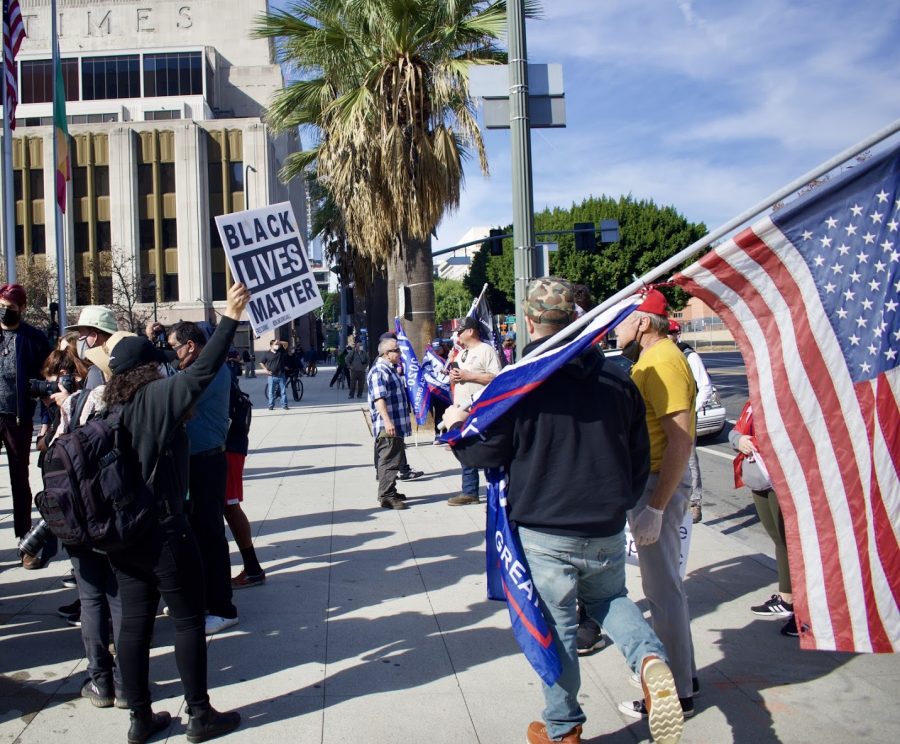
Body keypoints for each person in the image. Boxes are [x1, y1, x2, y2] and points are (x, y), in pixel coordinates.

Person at [444, 277, 683, 744]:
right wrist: (629, 503)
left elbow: (483, 453)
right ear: (575, 317)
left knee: (556, 627)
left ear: (530, 321)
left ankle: (563, 728)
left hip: (546, 528)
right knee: (610, 600)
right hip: (606, 523)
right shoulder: (618, 378)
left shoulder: (522, 384)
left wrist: (456, 426)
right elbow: (639, 456)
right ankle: (650, 659)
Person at [102, 282, 248, 744]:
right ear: (147, 366)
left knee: (135, 624)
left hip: (124, 534)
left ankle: (140, 719)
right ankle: (200, 715)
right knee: (186, 620)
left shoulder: (109, 403)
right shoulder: (156, 398)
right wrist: (229, 317)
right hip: (164, 529)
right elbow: (202, 371)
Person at [614, 288, 699, 720]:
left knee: (662, 591)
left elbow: (680, 440)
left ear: (643, 322)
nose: (617, 328)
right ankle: (684, 675)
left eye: (624, 319)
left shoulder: (663, 361)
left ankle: (674, 693)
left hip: (656, 485)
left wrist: (658, 505)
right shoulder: (650, 360)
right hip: (649, 483)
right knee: (664, 590)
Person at [167, 321, 240, 635]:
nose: (172, 354)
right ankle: (200, 596)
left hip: (205, 462)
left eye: (174, 347)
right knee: (195, 535)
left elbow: (177, 396)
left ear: (191, 346)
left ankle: (223, 608)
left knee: (209, 536)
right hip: (196, 461)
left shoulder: (207, 371)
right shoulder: (202, 368)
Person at [730, 400, 798, 637]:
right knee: (779, 540)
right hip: (757, 478)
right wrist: (739, 440)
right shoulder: (752, 403)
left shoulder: (782, 396)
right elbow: (735, 430)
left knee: (790, 541)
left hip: (779, 478)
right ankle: (786, 597)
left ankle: (798, 603)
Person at [0, 284, 51, 560]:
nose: (4, 312)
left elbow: (45, 382)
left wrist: (45, 422)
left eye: (10, 308)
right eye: (1, 306)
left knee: (19, 478)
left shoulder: (33, 338)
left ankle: (26, 541)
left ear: (21, 309)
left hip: (17, 417)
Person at [447, 316, 501, 505]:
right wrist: (454, 377)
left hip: (481, 408)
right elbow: (459, 378)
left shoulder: (486, 350)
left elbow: (496, 378)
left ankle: (498, 487)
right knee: (466, 447)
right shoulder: (462, 354)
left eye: (460, 332)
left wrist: (469, 375)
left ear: (470, 331)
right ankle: (470, 491)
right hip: (462, 408)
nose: (457, 336)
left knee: (489, 448)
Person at [668, 320, 712, 523]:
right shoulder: (664, 356)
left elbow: (705, 386)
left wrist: (691, 410)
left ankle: (695, 503)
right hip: (667, 415)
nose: (668, 336)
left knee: (689, 459)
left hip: (685, 416)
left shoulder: (688, 356)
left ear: (677, 335)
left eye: (671, 333)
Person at [225, 376, 266, 590]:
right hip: (232, 445)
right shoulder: (218, 370)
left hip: (228, 448)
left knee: (230, 506)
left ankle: (253, 568)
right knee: (230, 506)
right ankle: (252, 568)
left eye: (177, 344)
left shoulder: (213, 371)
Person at [366, 337, 411, 510]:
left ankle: (390, 489)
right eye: (396, 350)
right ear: (386, 353)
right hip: (389, 424)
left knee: (395, 458)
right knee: (389, 460)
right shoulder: (379, 371)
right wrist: (387, 421)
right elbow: (379, 399)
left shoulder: (389, 369)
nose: (399, 353)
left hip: (396, 423)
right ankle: (386, 496)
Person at [260, 338, 289, 410]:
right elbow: (261, 362)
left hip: (281, 375)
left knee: (283, 392)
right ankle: (271, 405)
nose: (277, 346)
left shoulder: (281, 351)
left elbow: (286, 344)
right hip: (271, 376)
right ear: (271, 345)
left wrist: (279, 341)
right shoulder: (267, 354)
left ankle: (284, 405)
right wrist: (266, 370)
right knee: (271, 392)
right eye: (276, 344)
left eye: (278, 345)